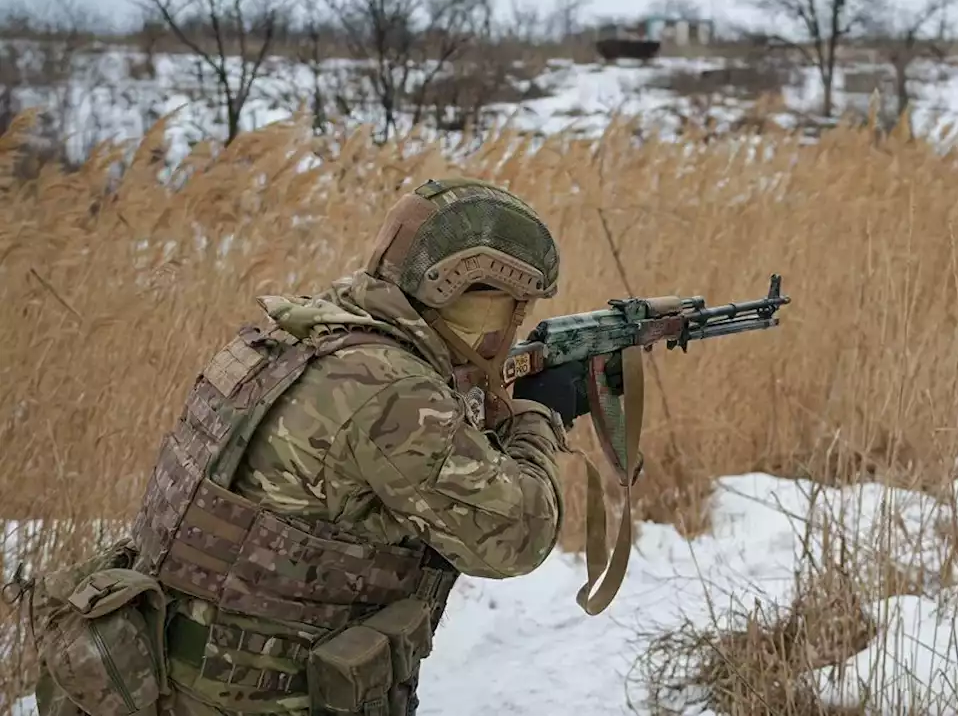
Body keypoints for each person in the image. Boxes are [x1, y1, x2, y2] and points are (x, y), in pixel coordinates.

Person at [36, 178, 592, 716]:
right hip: (253, 696)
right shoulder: (391, 388)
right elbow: (517, 537)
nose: (514, 326)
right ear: (455, 290)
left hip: (161, 671)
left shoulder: (293, 337)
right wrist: (538, 421)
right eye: (508, 306)